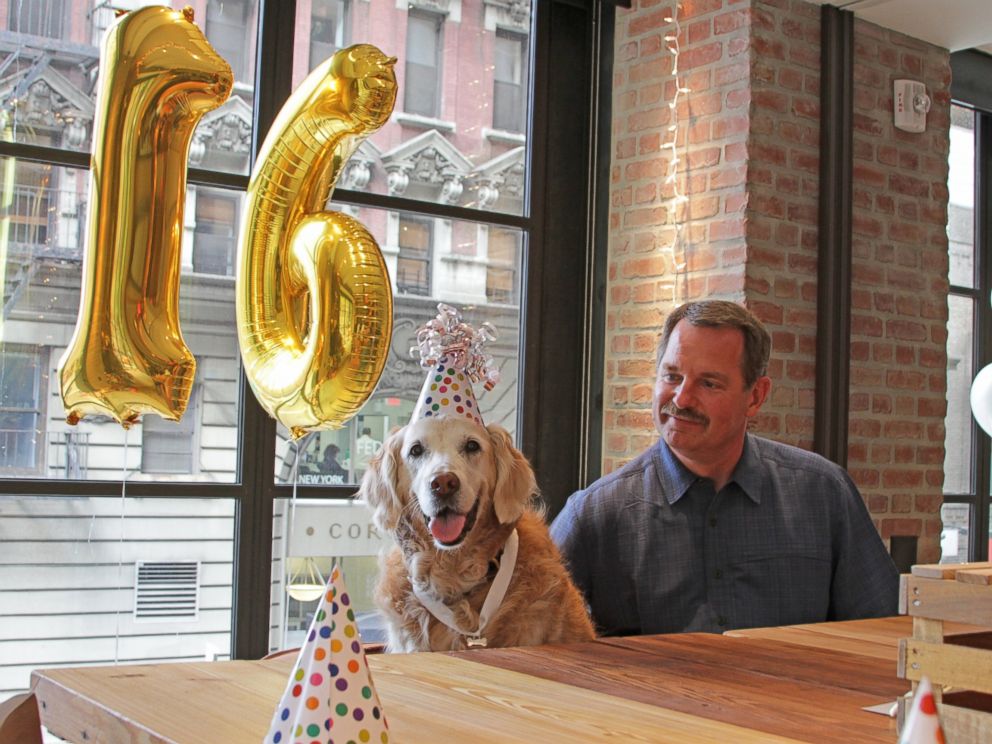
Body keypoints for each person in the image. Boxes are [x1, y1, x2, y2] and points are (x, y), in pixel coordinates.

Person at [550, 300, 899, 636]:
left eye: (709, 383)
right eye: (672, 376)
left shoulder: (823, 494)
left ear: (756, 396)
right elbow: (527, 644)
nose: (682, 399)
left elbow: (883, 635)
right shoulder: (594, 514)